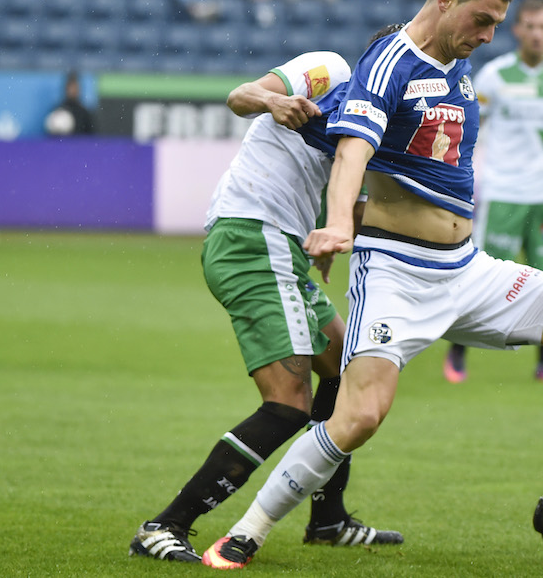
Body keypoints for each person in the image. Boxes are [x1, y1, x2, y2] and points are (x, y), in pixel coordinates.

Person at [200, 0, 543, 570]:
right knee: (358, 417)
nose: (490, 35)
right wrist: (336, 224)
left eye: (497, 24)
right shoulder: (389, 62)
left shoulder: (459, 66)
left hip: (467, 268)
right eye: (484, 19)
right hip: (396, 276)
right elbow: (354, 151)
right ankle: (247, 531)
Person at [129, 30, 407, 564]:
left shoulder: (381, 120)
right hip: (253, 234)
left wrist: (337, 231)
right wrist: (274, 100)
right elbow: (240, 96)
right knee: (287, 405)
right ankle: (164, 526)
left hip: (282, 246)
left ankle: (328, 519)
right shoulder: (328, 69)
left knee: (346, 365)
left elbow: (348, 197)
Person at [443, 0, 543, 385]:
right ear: (518, 30)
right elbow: (466, 125)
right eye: (531, 26)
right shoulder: (494, 77)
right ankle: (457, 354)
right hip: (504, 193)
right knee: (482, 279)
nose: (538, 34)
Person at [44, 71, 95, 136]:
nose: (72, 91)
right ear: (66, 89)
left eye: (75, 88)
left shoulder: (85, 113)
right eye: (70, 88)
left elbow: (92, 137)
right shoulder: (58, 110)